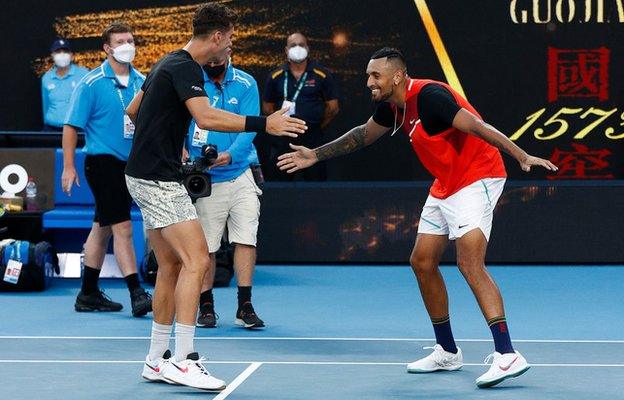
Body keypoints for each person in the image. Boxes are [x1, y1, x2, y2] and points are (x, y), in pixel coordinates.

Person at [277, 47, 558, 388]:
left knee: (470, 264)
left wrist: (521, 155)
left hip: (478, 177)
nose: (369, 82)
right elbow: (363, 135)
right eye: (369, 76)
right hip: (446, 183)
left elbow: (478, 127)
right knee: (422, 262)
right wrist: (315, 155)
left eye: (375, 76)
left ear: (397, 76)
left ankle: (507, 353)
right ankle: (448, 351)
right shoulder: (393, 107)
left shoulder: (430, 97)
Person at [122, 3, 306, 391]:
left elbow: (133, 109)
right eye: (231, 40)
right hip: (158, 179)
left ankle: (156, 360)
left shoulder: (165, 62)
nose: (230, 48)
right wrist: (264, 123)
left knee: (171, 265)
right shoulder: (187, 68)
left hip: (144, 173)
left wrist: (167, 143)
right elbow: (205, 118)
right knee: (197, 261)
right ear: (218, 36)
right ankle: (185, 360)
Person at [62, 23, 152, 318]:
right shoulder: (91, 83)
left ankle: (87, 293)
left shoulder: (142, 81)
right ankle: (136, 292)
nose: (128, 45)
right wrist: (68, 167)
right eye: (121, 41)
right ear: (107, 48)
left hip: (132, 164)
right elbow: (71, 127)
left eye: (130, 40)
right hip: (102, 162)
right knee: (123, 228)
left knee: (101, 227)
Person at [186, 54, 265, 330]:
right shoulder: (193, 84)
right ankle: (206, 306)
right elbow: (182, 125)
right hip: (205, 177)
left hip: (241, 171)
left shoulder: (246, 83)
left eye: (221, 56)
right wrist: (185, 154)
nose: (215, 60)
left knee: (246, 239)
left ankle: (245, 305)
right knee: (207, 244)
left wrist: (230, 156)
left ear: (229, 54)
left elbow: (251, 128)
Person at [262, 32, 339, 181]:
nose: (297, 48)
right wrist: (281, 125)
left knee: (316, 185)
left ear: (308, 49)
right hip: (284, 139)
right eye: (293, 45)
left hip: (313, 140)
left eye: (301, 45)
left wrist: (317, 126)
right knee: (280, 184)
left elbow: (333, 108)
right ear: (286, 50)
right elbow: (267, 108)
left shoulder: (321, 74)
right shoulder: (275, 76)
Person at [41, 39, 88, 131]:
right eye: (58, 52)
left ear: (71, 55)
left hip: (76, 129)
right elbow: (45, 104)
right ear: (52, 55)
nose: (62, 55)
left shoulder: (83, 74)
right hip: (52, 128)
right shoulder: (47, 77)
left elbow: (91, 101)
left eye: (65, 51)